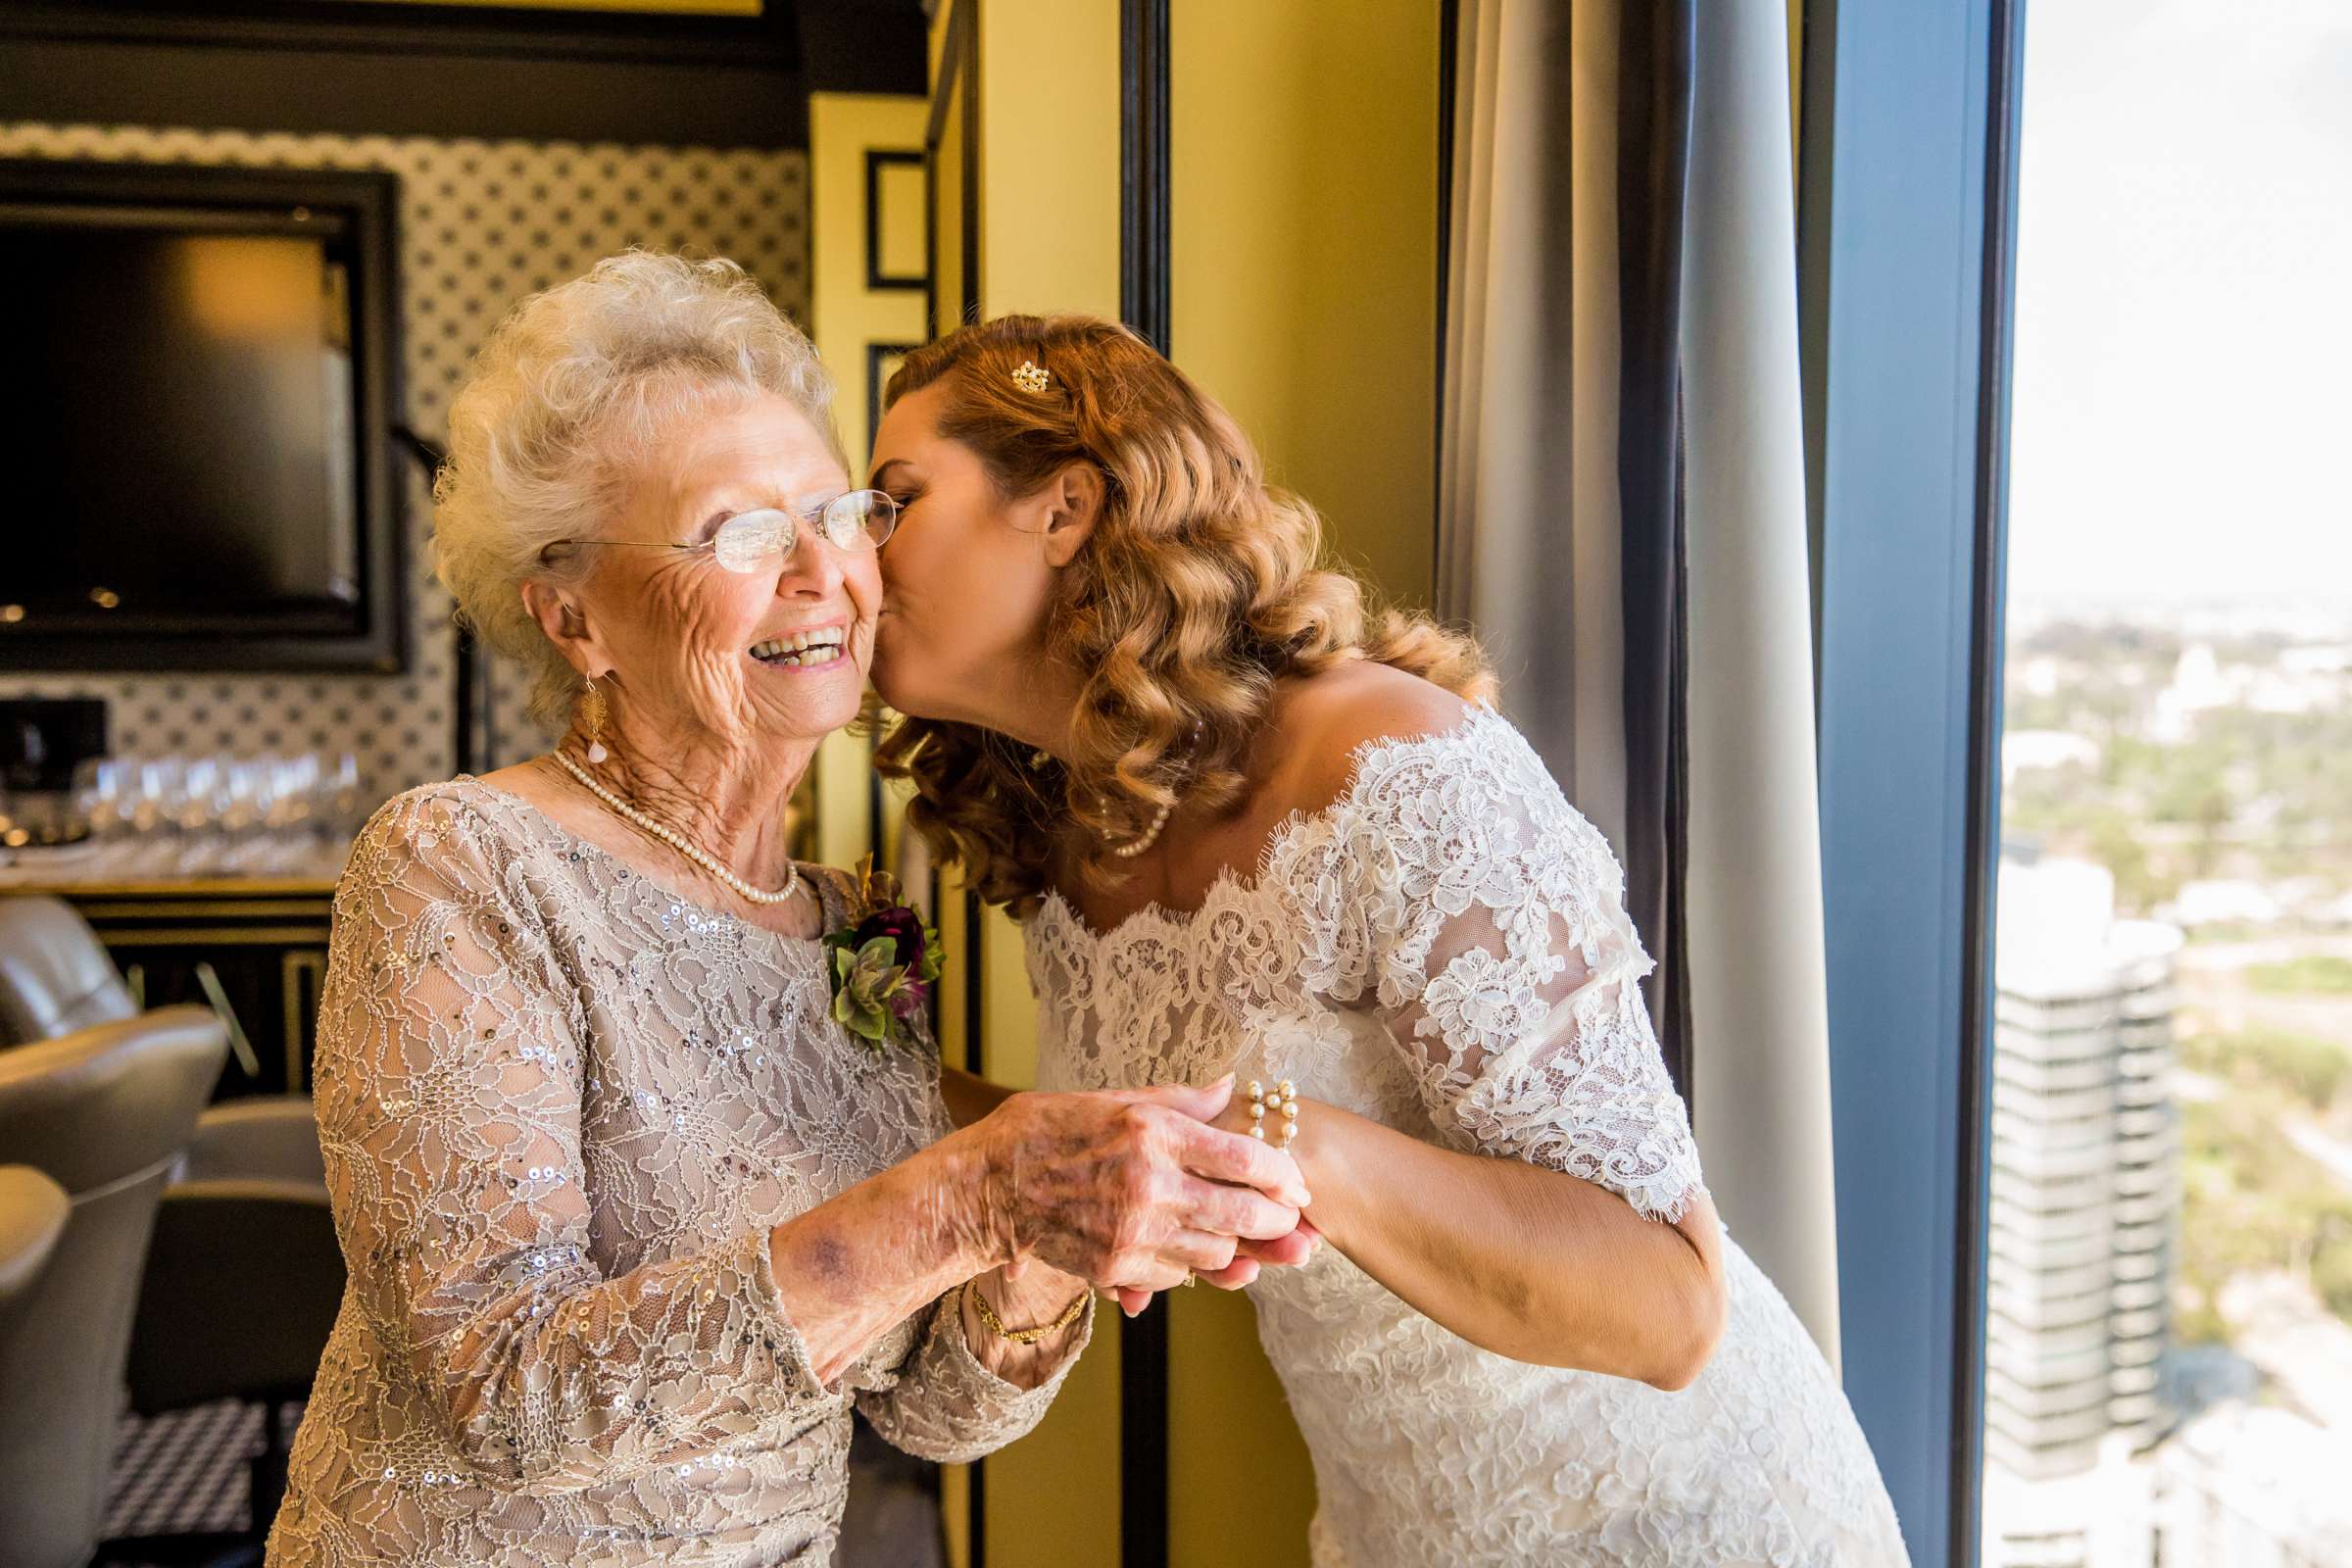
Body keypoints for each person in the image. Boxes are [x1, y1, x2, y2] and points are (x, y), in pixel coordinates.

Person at [267, 259, 1311, 1567]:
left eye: (840, 512)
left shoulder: (860, 926)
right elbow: (508, 1391)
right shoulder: (465, 867)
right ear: (573, 614)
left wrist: (1046, 1243)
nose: (826, 570)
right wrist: (974, 1193)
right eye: (740, 532)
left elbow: (931, 1410)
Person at [865, 314, 1913, 1566]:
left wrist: (1283, 1142)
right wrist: (823, 1034)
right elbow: (1103, 1147)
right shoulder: (1087, 834)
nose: (855, 554)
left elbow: (1668, 1301)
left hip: (1675, 1512)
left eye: (892, 501)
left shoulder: (1392, 771)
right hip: (1407, 1522)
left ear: (1064, 509)